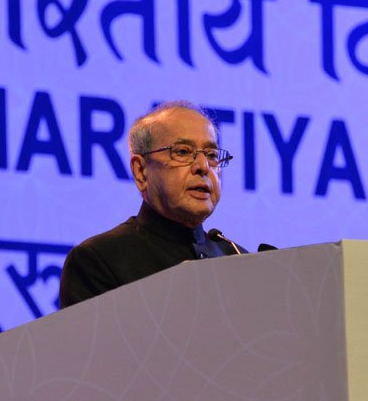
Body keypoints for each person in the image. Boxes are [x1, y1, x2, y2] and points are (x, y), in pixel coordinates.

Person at [59, 101, 245, 308]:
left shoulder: (238, 259)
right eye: (182, 152)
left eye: (211, 155)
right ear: (141, 171)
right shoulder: (99, 259)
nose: (203, 167)